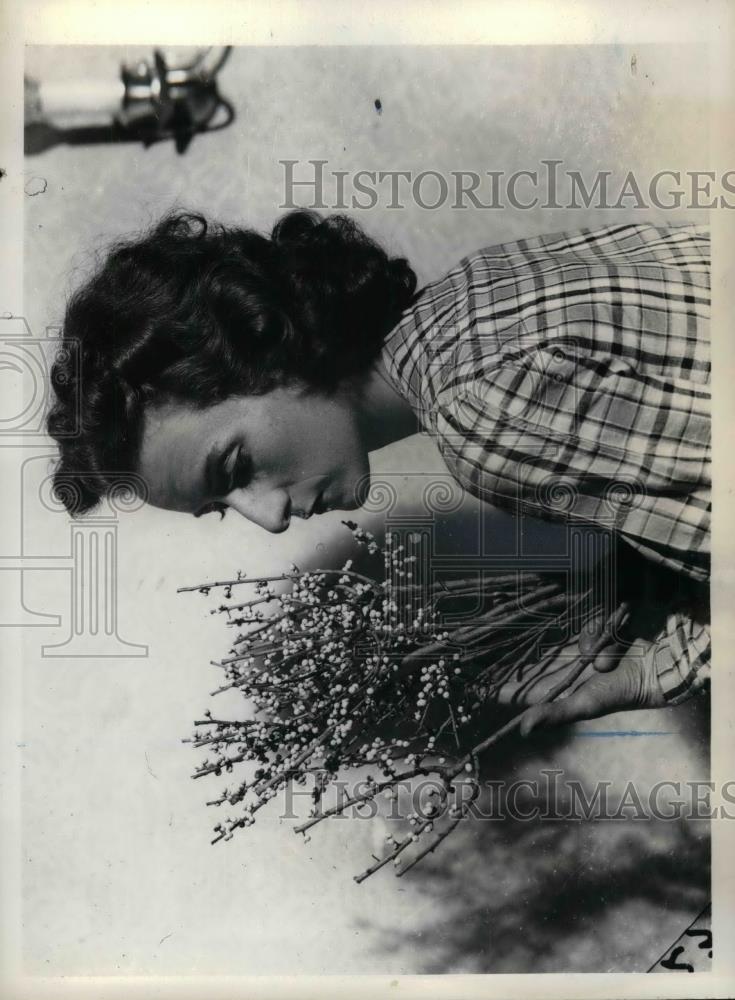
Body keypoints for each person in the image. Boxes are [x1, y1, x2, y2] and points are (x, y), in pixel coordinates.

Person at [47, 210, 711, 731]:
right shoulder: (475, 292)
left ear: (267, 344)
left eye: (235, 468)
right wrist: (632, 565)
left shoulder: (477, 414)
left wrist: (672, 666)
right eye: (222, 507)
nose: (270, 518)